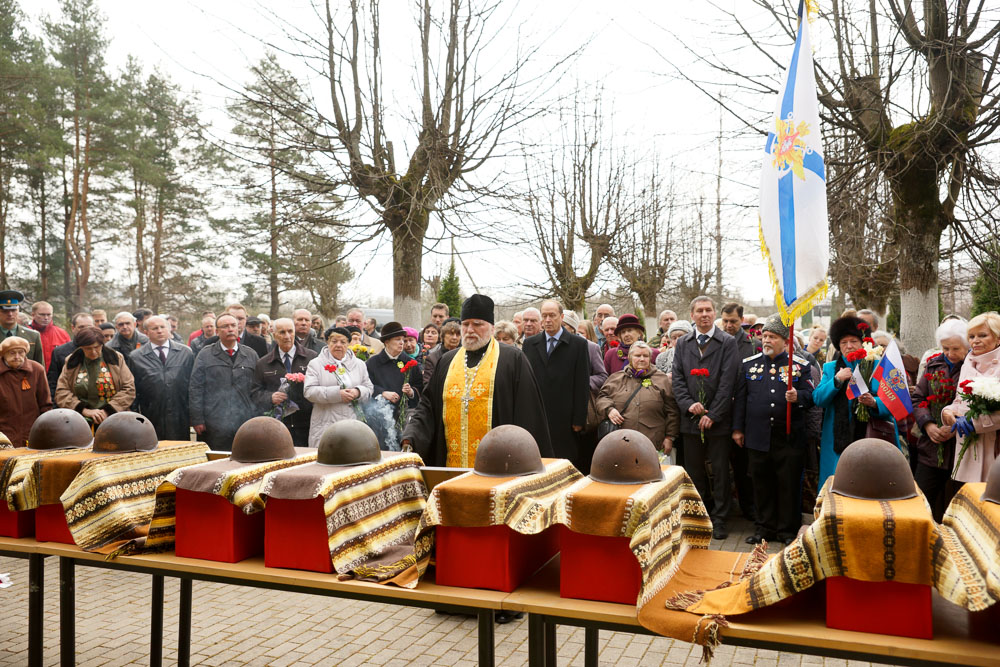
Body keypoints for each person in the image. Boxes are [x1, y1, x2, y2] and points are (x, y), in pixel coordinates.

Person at [401, 294, 553, 467]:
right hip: (451, 465)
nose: (470, 330)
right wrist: (411, 436)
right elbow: (428, 406)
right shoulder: (447, 361)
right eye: (465, 324)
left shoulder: (513, 359)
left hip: (499, 466)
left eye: (477, 324)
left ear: (491, 328)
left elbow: (529, 414)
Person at [732, 315, 814, 545]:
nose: (766, 340)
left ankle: (787, 530)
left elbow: (811, 396)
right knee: (761, 484)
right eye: (764, 336)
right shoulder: (750, 364)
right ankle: (764, 528)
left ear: (785, 341)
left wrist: (798, 397)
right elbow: (741, 399)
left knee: (787, 484)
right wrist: (737, 429)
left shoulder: (800, 366)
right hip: (758, 436)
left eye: (772, 337)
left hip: (788, 437)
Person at [671, 296, 739, 540]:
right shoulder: (683, 343)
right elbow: (677, 379)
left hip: (718, 422)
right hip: (690, 421)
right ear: (692, 315)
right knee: (694, 471)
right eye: (699, 310)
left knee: (720, 471)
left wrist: (713, 413)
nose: (704, 314)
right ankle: (699, 515)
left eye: (709, 310)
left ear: (714, 314)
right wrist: (690, 405)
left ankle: (720, 518)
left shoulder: (727, 342)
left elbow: (728, 382)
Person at [814, 315, 893, 487]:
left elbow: (893, 403)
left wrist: (874, 403)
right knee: (836, 484)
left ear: (863, 342)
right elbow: (818, 399)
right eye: (843, 342)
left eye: (853, 341)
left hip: (870, 436)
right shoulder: (830, 368)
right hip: (836, 439)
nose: (849, 346)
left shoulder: (878, 365)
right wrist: (836, 380)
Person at [911, 319, 968, 521]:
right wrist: (928, 425)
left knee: (959, 508)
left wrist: (954, 427)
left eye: (956, 348)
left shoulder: (973, 368)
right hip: (932, 448)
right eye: (946, 348)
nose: (950, 354)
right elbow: (918, 398)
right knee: (920, 503)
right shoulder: (934, 365)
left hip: (962, 449)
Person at [522, 300, 591, 466]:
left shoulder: (578, 344)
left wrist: (579, 419)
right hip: (538, 415)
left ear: (561, 317)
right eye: (544, 316)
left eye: (552, 315)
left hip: (566, 418)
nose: (547, 320)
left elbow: (582, 383)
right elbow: (526, 382)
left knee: (564, 462)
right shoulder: (530, 344)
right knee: (539, 462)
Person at [941, 311, 1000, 483]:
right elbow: (959, 400)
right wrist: (948, 413)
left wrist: (976, 423)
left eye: (982, 335)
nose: (975, 340)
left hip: (995, 445)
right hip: (969, 446)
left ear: (998, 338)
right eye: (971, 336)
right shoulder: (969, 360)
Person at [188, 314, 259, 451]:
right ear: (217, 331)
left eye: (233, 325)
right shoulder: (205, 355)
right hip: (214, 422)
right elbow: (196, 388)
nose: (230, 329)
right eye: (225, 326)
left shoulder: (250, 354)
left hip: (244, 421)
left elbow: (257, 388)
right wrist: (197, 420)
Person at [597, 341, 679, 453]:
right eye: (637, 355)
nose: (642, 359)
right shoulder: (616, 378)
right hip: (621, 443)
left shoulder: (662, 379)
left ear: (650, 358)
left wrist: (670, 437)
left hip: (653, 442)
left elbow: (672, 411)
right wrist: (609, 409)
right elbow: (602, 397)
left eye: (645, 356)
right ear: (630, 357)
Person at [303, 326, 374, 448]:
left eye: (343, 342)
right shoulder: (316, 364)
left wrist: (357, 392)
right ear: (327, 342)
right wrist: (337, 394)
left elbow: (369, 387)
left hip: (353, 422)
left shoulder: (359, 364)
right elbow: (309, 391)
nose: (338, 345)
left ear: (349, 344)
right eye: (334, 341)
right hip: (325, 424)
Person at [252, 317, 316, 447]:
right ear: (274, 335)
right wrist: (270, 397)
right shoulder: (263, 363)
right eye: (282, 332)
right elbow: (254, 392)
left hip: (306, 423)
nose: (287, 336)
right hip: (277, 425)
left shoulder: (312, 358)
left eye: (290, 331)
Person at [130, 316, 196, 440]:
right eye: (155, 328)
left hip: (180, 414)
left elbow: (193, 385)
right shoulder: (136, 357)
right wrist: (135, 416)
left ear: (169, 329)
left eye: (162, 327)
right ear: (146, 332)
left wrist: (194, 414)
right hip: (151, 414)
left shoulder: (185, 353)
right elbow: (134, 390)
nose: (159, 331)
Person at [720, 302, 756, 521]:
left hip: (744, 414)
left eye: (733, 321)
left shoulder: (752, 345)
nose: (728, 325)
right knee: (722, 466)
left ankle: (748, 508)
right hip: (720, 411)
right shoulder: (718, 342)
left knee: (744, 466)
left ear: (741, 320)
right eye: (725, 321)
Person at [55, 326, 136, 425]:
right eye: (88, 349)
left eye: (97, 347)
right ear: (81, 347)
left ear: (102, 344)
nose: (93, 352)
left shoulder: (115, 358)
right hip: (79, 421)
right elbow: (61, 392)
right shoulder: (72, 361)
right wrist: (83, 410)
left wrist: (107, 411)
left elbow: (129, 389)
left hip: (114, 418)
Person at [365, 322, 424, 449]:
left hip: (404, 418)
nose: (402, 343)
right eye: (397, 339)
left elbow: (420, 387)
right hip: (379, 418)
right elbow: (366, 385)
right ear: (386, 342)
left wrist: (411, 392)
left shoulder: (410, 363)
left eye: (402, 339)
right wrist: (382, 392)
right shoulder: (373, 363)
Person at [0, 336, 52, 447]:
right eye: (12, 353)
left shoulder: (37, 370)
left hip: (31, 433)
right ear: (3, 354)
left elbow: (45, 404)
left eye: (21, 352)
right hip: (3, 435)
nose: (17, 357)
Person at [48, 313, 94, 397]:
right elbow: (53, 383)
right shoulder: (59, 352)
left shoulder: (102, 350)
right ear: (73, 328)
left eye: (89, 327)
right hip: (68, 401)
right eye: (81, 327)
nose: (85, 330)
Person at [0, 290, 44, 366]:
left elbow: (39, 368)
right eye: (5, 311)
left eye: (13, 310)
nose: (10, 314)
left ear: (18, 311)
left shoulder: (33, 336)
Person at [29, 300, 70, 370]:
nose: (46, 318)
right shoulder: (26, 333)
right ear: (33, 315)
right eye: (42, 314)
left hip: (56, 377)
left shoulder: (62, 334)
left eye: (49, 314)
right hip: (33, 375)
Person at [422, 319, 461, 387]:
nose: (455, 337)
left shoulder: (464, 356)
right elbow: (427, 385)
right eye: (451, 334)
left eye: (458, 334)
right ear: (443, 336)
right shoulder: (432, 358)